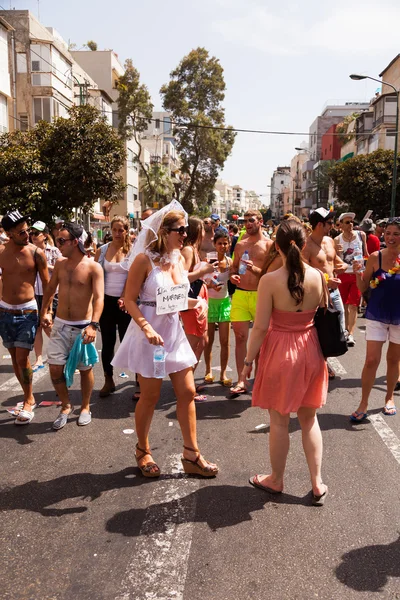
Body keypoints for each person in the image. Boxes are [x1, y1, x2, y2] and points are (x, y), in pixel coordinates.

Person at [111, 201, 218, 478]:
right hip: (149, 336)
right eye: (179, 230)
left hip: (172, 332)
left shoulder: (179, 259)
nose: (185, 234)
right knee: (150, 395)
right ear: (163, 231)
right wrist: (146, 327)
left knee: (188, 392)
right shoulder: (143, 260)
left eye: (185, 230)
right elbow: (130, 300)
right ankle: (142, 450)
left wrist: (197, 303)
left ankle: (191, 454)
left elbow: (177, 298)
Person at [241, 219, 328, 506]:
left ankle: (276, 479)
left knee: (279, 421)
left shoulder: (270, 280)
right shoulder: (318, 276)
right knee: (309, 419)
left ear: (275, 246)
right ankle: (317, 482)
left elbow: (261, 327)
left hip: (280, 351)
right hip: (311, 349)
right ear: (304, 246)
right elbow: (322, 312)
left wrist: (247, 361)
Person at [41, 223, 104, 430]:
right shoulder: (60, 263)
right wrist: (45, 312)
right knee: (55, 368)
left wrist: (93, 325)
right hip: (60, 325)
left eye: (61, 241)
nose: (58, 244)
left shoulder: (93, 267)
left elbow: (99, 299)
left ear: (75, 242)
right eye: (57, 240)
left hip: (82, 327)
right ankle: (66, 405)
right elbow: (50, 288)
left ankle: (85, 407)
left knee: (85, 369)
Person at [0, 210, 49, 424]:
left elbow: (47, 285)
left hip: (28, 311)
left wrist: (47, 311)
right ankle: (26, 394)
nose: (26, 234)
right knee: (14, 358)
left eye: (27, 230)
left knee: (22, 358)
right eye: (21, 232)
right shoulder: (1, 251)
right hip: (5, 311)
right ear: (9, 233)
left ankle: (29, 399)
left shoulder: (36, 253)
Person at [350, 217, 400, 421]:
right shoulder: (375, 257)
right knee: (371, 360)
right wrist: (356, 274)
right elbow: (364, 288)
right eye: (387, 233)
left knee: (394, 359)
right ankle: (363, 402)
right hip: (377, 314)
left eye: (396, 233)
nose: (391, 237)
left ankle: (389, 398)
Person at [229, 210, 273, 396]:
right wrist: (233, 277)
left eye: (251, 220)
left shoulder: (270, 245)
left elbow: (272, 274)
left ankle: (260, 379)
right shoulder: (240, 245)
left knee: (261, 342)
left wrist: (253, 268)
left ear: (260, 222)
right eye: (245, 220)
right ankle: (241, 379)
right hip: (240, 295)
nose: (247, 223)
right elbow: (233, 268)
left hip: (261, 296)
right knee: (240, 338)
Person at [302, 208, 347, 379]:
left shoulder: (329, 241)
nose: (332, 226)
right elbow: (303, 272)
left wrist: (342, 266)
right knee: (319, 330)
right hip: (317, 294)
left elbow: (337, 261)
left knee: (335, 328)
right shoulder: (306, 246)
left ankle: (323, 361)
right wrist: (325, 281)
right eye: (329, 223)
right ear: (319, 224)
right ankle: (321, 365)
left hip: (334, 292)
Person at [95, 215, 132, 397]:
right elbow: (95, 275)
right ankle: (108, 380)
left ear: (126, 230)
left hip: (128, 302)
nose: (117, 233)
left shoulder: (134, 251)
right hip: (106, 301)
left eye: (121, 230)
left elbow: (136, 276)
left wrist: (125, 296)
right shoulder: (102, 250)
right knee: (108, 342)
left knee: (130, 341)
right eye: (114, 229)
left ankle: (139, 380)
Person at [181, 217, 214, 400]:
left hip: (200, 298)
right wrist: (202, 272)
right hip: (192, 302)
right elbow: (182, 277)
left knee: (203, 341)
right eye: (202, 228)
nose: (205, 231)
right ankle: (186, 387)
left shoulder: (194, 249)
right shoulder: (187, 250)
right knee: (192, 344)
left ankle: (189, 381)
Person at [30, 221, 62, 372]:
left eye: (36, 233)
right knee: (36, 327)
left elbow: (61, 268)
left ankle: (63, 352)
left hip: (51, 293)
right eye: (31, 233)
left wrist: (44, 265)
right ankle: (38, 359)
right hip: (34, 293)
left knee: (48, 325)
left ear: (45, 235)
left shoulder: (54, 251)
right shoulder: (29, 251)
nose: (33, 236)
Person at [334, 212, 368, 347]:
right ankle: (345, 330)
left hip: (357, 275)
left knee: (353, 305)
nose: (351, 225)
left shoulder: (361, 235)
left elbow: (366, 254)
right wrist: (339, 253)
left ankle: (350, 333)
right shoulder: (337, 240)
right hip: (342, 274)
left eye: (352, 222)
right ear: (341, 225)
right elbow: (334, 260)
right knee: (344, 305)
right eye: (347, 222)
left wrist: (364, 266)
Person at [204, 230, 233, 386]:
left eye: (225, 243)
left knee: (225, 341)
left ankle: (223, 374)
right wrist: (210, 285)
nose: (222, 246)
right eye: (219, 243)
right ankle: (208, 370)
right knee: (208, 340)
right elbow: (201, 281)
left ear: (228, 245)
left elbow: (234, 278)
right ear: (214, 244)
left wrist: (235, 277)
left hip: (224, 303)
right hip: (209, 303)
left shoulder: (230, 261)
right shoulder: (209, 260)